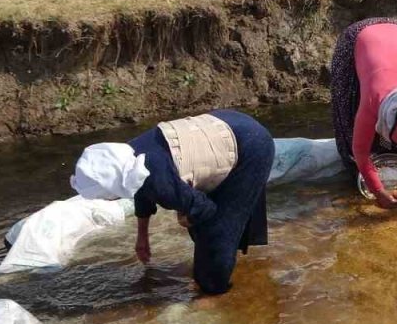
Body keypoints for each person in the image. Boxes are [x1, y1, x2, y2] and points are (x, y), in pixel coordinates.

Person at [70, 110, 274, 295]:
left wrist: (187, 217)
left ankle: (218, 293)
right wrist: (142, 237)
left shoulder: (158, 182)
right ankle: (227, 263)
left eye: (107, 196)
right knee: (203, 229)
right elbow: (141, 190)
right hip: (228, 121)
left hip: (252, 146)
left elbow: (206, 210)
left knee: (216, 232)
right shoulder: (125, 160)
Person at [330, 17, 397, 209]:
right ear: (386, 119)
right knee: (348, 116)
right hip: (359, 37)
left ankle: (394, 154)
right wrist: (378, 191)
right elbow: (360, 151)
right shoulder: (372, 100)